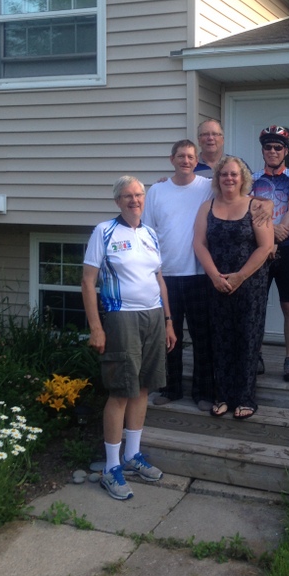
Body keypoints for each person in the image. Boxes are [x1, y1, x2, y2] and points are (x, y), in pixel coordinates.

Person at [81, 175, 177, 500]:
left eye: (139, 195)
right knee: (121, 390)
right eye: (127, 196)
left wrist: (168, 321)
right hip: (121, 317)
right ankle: (111, 467)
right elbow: (87, 281)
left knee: (144, 387)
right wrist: (96, 327)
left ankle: (132, 455)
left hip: (154, 316)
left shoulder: (150, 233)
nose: (134, 200)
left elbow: (159, 279)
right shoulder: (104, 231)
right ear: (118, 201)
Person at [193, 156, 274, 419]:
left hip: (250, 284)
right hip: (217, 283)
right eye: (224, 174)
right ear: (217, 178)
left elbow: (265, 247)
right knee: (220, 339)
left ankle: (246, 398)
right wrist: (214, 276)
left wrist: (240, 277)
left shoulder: (256, 206)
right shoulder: (207, 207)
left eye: (234, 174)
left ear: (243, 179)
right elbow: (199, 244)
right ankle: (223, 396)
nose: (229, 178)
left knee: (247, 339)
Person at [143, 139, 215, 411]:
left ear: (197, 161)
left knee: (202, 337)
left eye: (191, 157)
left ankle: (203, 392)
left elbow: (240, 189)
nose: (186, 161)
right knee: (169, 337)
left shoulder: (208, 188)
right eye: (181, 156)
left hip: (199, 275)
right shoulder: (157, 191)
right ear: (171, 159)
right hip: (166, 277)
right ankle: (171, 388)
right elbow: (148, 232)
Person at [251, 126, 289, 382]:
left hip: (287, 246)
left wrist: (277, 236)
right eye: (268, 147)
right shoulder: (252, 179)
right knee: (257, 304)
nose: (272, 151)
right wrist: (270, 238)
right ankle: (256, 354)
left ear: (285, 151)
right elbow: (249, 212)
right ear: (262, 150)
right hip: (260, 247)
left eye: (278, 147)